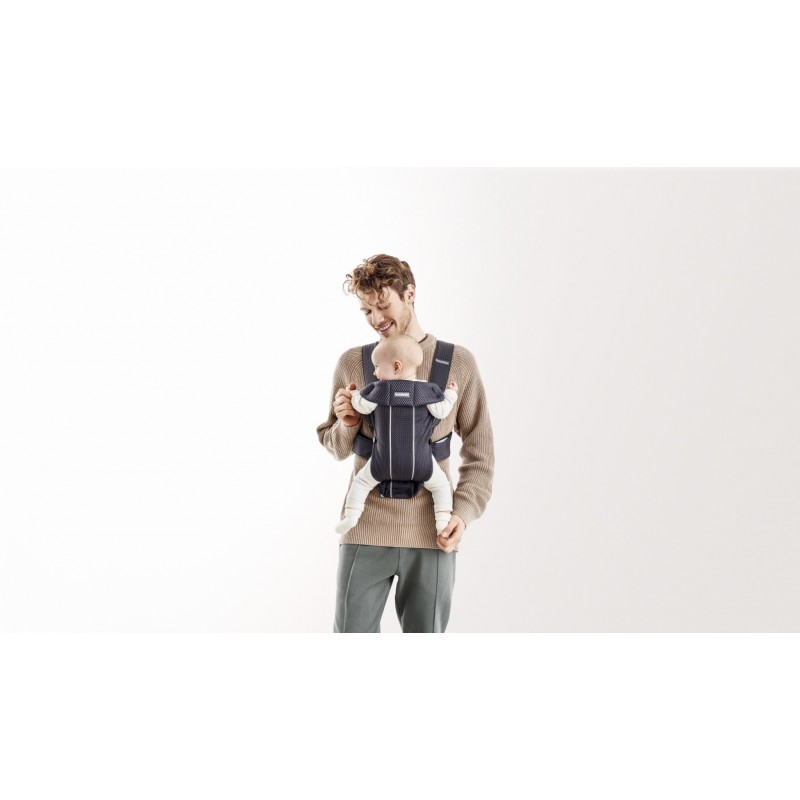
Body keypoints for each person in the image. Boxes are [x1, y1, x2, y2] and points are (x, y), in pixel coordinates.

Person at [316, 254, 494, 633]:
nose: (376, 319)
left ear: (409, 293)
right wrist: (347, 422)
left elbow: (481, 453)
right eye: (366, 310)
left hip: (433, 534)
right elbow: (335, 446)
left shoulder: (457, 363)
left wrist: (462, 512)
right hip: (364, 530)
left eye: (383, 305)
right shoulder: (354, 363)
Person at [335, 332, 459, 535]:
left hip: (382, 463)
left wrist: (355, 393)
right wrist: (451, 394)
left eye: (377, 366)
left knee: (361, 483)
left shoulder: (378, 391)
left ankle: (351, 517)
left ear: (396, 367)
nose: (374, 372)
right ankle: (442, 522)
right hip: (422, 464)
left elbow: (361, 406)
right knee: (441, 486)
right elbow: (442, 411)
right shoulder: (427, 392)